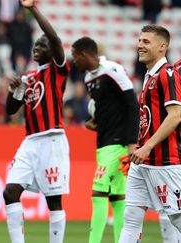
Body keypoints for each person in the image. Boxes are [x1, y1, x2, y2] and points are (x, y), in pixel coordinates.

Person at [2, 0, 70, 242]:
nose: (37, 47)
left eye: (42, 44)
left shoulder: (58, 70)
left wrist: (32, 9)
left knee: (53, 201)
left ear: (52, 50)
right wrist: (13, 90)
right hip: (30, 141)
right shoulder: (29, 77)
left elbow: (54, 38)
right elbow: (11, 110)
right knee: (10, 192)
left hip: (52, 139)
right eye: (35, 45)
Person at [71, 37, 139, 243]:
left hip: (117, 144)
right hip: (103, 142)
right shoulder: (88, 78)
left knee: (97, 193)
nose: (74, 62)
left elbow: (132, 104)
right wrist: (95, 122)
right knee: (118, 199)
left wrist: (132, 143)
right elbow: (108, 109)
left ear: (84, 54)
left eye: (75, 57)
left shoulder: (112, 70)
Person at [119, 24, 181, 242]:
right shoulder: (148, 76)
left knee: (177, 218)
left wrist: (148, 146)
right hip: (142, 164)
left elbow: (175, 116)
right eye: (139, 40)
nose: (140, 45)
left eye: (146, 42)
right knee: (131, 218)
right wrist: (139, 147)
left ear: (162, 47)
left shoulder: (167, 75)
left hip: (165, 162)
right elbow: (148, 119)